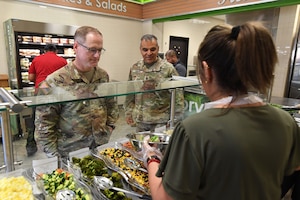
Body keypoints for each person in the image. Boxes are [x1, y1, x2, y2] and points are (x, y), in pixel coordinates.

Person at [141, 21, 300, 200]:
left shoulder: (193, 130)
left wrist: (151, 157)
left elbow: (164, 198)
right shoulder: (286, 122)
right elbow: (291, 170)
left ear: (207, 71)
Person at [35, 26, 119, 158]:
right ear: (75, 47)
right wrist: (55, 159)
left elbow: (111, 105)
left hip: (100, 147)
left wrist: (109, 128)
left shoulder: (103, 76)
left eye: (100, 50)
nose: (97, 55)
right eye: (92, 50)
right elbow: (44, 125)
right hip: (70, 152)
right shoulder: (55, 81)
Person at [124, 34, 184, 132]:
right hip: (140, 121)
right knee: (141, 146)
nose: (149, 53)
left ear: (158, 49)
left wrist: (175, 121)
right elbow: (129, 94)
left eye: (152, 49)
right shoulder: (135, 68)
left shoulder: (168, 69)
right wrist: (128, 113)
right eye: (145, 50)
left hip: (161, 122)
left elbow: (178, 98)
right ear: (140, 49)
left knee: (159, 147)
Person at [25, 44, 67, 156]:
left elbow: (31, 78)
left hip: (41, 93)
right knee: (57, 119)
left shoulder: (37, 59)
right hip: (57, 94)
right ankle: (57, 145)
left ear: (44, 50)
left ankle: (31, 146)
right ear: (56, 50)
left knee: (36, 119)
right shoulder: (62, 61)